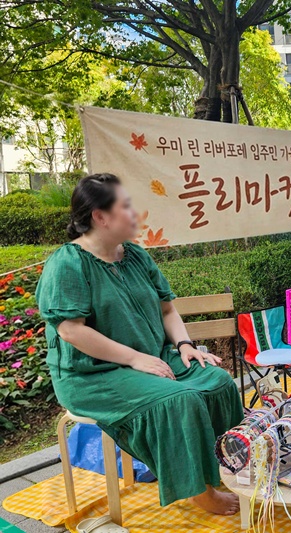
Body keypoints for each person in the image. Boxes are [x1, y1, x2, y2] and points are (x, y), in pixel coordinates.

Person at [35, 174, 244, 515]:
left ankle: (225, 468)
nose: (135, 213)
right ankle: (198, 490)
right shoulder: (67, 264)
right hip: (92, 375)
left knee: (217, 381)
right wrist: (134, 359)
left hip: (152, 357)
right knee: (180, 400)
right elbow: (71, 331)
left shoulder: (133, 255)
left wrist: (185, 345)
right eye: (126, 206)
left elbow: (167, 308)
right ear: (100, 217)